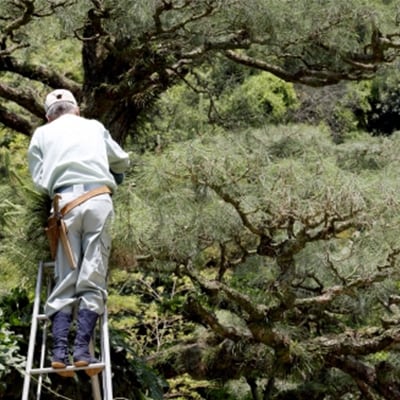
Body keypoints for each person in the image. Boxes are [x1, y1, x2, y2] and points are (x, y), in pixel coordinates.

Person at [27, 89, 130, 377]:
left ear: (49, 116)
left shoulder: (41, 135)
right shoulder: (94, 127)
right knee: (93, 275)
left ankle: (59, 352)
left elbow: (39, 179)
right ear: (76, 110)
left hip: (64, 208)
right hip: (98, 201)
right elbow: (122, 160)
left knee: (65, 278)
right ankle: (83, 352)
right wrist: (114, 175)